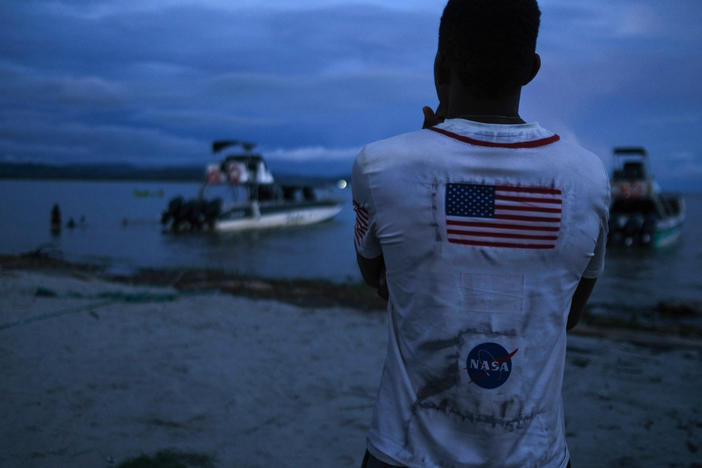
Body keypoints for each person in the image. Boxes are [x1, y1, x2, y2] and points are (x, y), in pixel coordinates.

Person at [351, 0, 609, 467]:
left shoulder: (381, 165)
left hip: (404, 454)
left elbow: (376, 277)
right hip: (535, 457)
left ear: (440, 65)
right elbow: (566, 315)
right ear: (531, 69)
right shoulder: (588, 177)